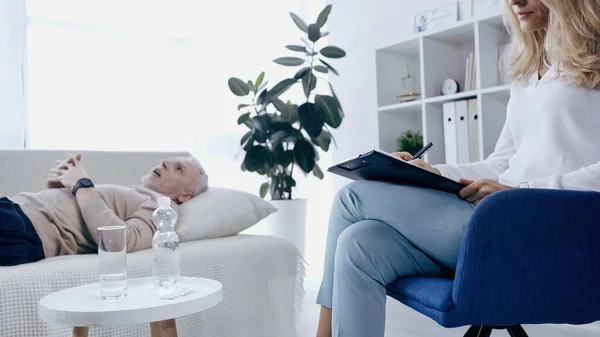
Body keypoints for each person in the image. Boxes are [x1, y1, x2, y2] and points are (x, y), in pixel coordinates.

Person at [316, 0, 600, 336]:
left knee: (353, 198)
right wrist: (433, 173)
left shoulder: (593, 60)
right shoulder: (527, 71)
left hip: (544, 228)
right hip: (495, 219)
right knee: (359, 242)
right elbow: (501, 163)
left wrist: (522, 193)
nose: (514, 2)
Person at [0, 154, 209, 267]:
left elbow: (119, 242)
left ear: (185, 196)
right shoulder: (139, 195)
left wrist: (81, 184)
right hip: (18, 213)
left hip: (24, 227)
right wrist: (61, 188)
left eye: (178, 168)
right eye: (171, 160)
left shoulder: (163, 207)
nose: (165, 162)